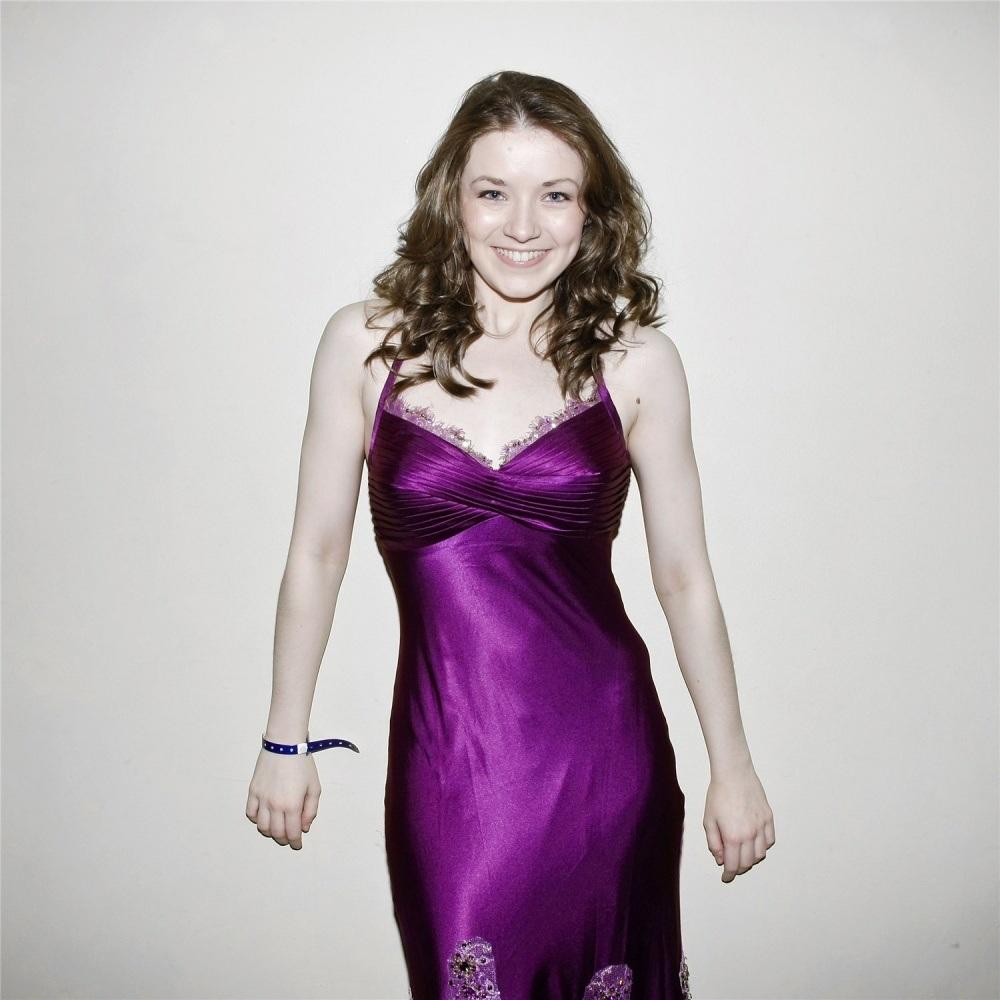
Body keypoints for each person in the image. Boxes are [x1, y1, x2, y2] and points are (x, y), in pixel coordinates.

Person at [246, 70, 774, 1000]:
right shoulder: (365, 345)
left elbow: (685, 578)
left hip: (605, 753)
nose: (523, 225)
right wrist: (285, 739)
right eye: (494, 192)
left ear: (591, 210)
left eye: (555, 195)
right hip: (451, 757)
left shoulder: (638, 362)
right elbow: (317, 554)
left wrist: (732, 766)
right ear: (451, 198)